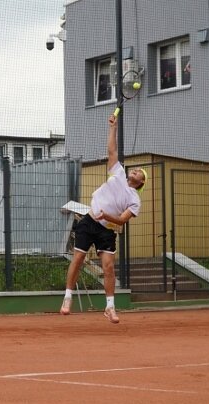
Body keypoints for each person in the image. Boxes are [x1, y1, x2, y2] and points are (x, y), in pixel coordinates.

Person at [60, 114, 147, 323]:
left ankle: (110, 307)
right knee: (79, 258)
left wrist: (106, 216)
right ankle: (67, 297)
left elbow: (121, 220)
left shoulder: (135, 200)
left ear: (141, 183)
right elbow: (111, 150)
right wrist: (113, 127)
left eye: (139, 173)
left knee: (108, 267)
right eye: (134, 169)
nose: (134, 171)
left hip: (106, 230)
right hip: (89, 221)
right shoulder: (117, 172)